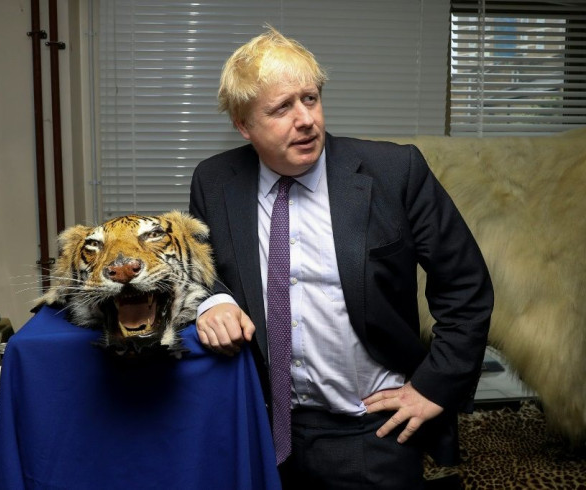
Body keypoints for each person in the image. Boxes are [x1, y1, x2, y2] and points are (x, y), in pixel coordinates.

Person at [189, 27, 494, 489]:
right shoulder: (215, 181)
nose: (306, 119)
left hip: (372, 430)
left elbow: (466, 285)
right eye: (281, 109)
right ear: (243, 125)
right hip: (260, 426)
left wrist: (435, 386)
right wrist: (214, 302)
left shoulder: (395, 172)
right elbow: (196, 269)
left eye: (309, 99)